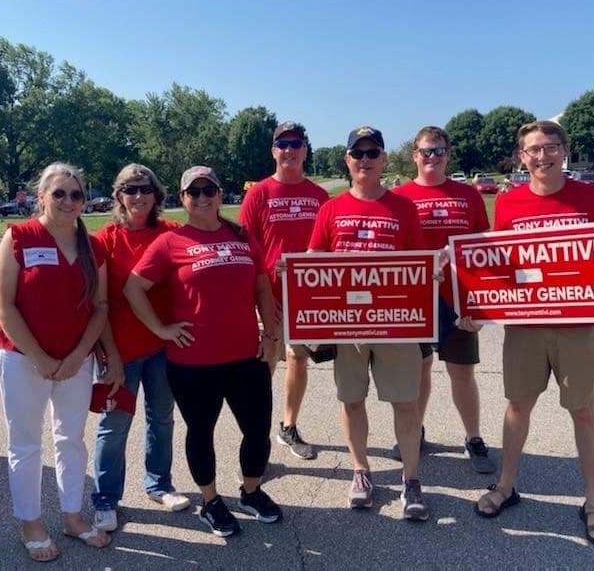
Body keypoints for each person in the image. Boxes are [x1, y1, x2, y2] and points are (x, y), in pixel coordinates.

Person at [476, 121, 594, 546]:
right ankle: (506, 486)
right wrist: (475, 303)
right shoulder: (507, 203)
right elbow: (500, 266)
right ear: (521, 156)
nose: (541, 157)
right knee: (517, 406)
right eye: (532, 150)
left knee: (583, 410)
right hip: (526, 326)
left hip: (578, 326)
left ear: (564, 150)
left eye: (549, 148)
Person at [124, 165, 282, 538]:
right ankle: (210, 501)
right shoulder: (170, 242)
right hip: (194, 362)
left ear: (219, 192)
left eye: (207, 189)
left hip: (247, 355)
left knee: (257, 430)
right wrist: (161, 329)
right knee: (201, 431)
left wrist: (271, 334)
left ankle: (251, 491)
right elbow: (134, 288)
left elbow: (262, 287)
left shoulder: (241, 235)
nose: (201, 197)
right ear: (182, 200)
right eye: (193, 192)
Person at [308, 126, 429, 521]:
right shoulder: (330, 208)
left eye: (372, 152)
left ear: (383, 159)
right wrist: (295, 271)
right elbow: (314, 260)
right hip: (348, 327)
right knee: (351, 399)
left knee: (406, 405)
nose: (364, 160)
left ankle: (411, 479)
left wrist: (435, 273)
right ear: (347, 160)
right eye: (357, 154)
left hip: (394, 324)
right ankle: (361, 471)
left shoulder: (403, 207)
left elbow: (418, 262)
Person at [0, 162, 111, 562]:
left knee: (71, 440)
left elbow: (100, 307)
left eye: (75, 195)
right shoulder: (19, 237)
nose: (67, 201)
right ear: (41, 196)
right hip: (22, 358)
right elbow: (3, 304)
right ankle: (31, 523)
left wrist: (79, 355)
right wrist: (40, 357)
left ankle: (73, 517)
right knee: (26, 445)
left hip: (76, 362)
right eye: (58, 193)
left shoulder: (94, 247)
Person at [90, 163, 191, 533]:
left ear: (157, 194)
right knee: (114, 425)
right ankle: (104, 498)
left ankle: (159, 484)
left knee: (162, 419)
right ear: (118, 196)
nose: (138, 197)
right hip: (122, 350)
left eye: (145, 189)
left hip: (164, 349)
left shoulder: (172, 232)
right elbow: (97, 304)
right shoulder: (105, 240)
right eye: (129, 190)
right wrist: (108, 354)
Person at [393, 126, 495, 473]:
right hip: (416, 301)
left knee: (462, 373)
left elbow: (485, 248)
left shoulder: (467, 196)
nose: (432, 158)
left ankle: (474, 437)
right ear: (415, 156)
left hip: (460, 300)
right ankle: (415, 434)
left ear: (448, 155)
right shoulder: (401, 197)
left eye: (438, 151)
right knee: (418, 371)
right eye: (425, 151)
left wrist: (482, 306)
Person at [239, 121, 329, 460]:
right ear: (273, 150)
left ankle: (288, 426)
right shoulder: (259, 193)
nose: (289, 150)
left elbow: (331, 249)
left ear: (305, 150)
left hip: (307, 298)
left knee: (298, 358)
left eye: (295, 144)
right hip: (268, 295)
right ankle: (255, 437)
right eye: (282, 144)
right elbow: (246, 248)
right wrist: (258, 291)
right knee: (264, 366)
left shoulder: (319, 196)